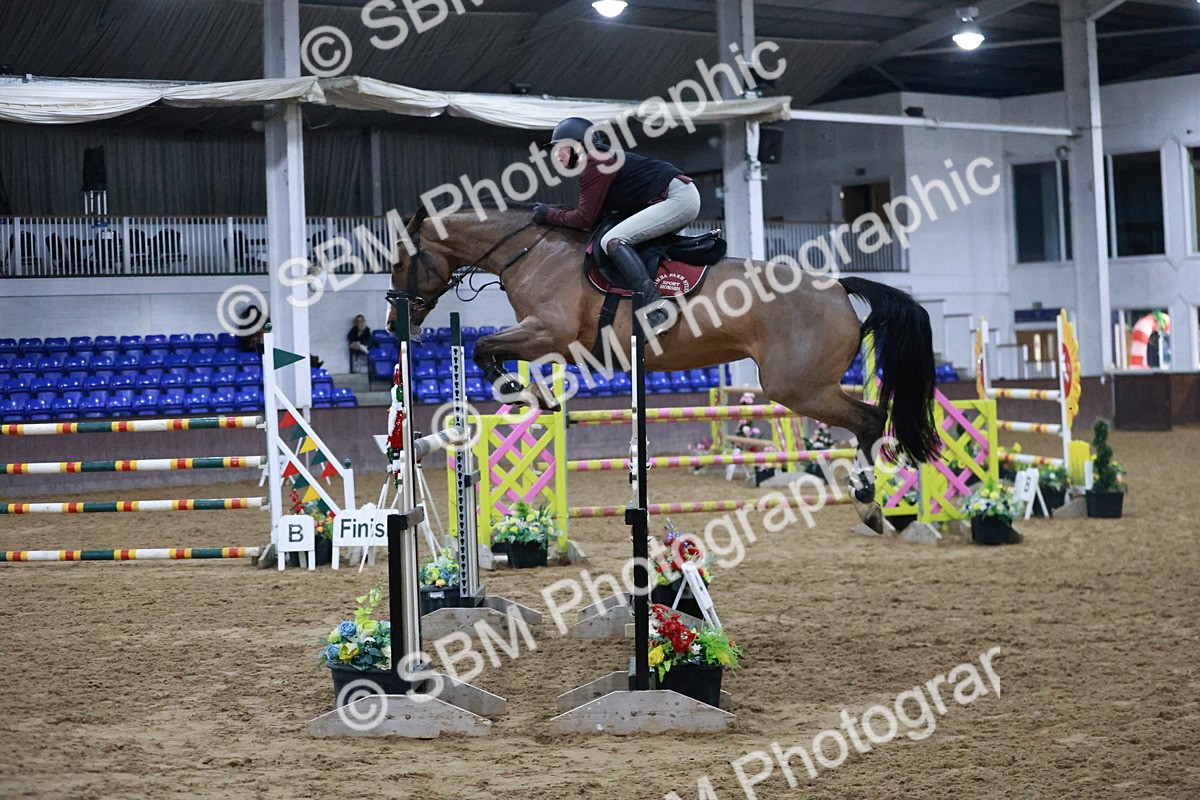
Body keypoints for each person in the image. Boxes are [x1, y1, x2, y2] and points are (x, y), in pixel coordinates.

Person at [531, 117, 701, 336]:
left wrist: (548, 213)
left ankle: (657, 307)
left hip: (678, 199)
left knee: (613, 241)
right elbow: (595, 218)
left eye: (560, 148)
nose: (556, 155)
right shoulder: (596, 161)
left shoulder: (595, 162)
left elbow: (584, 218)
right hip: (673, 197)